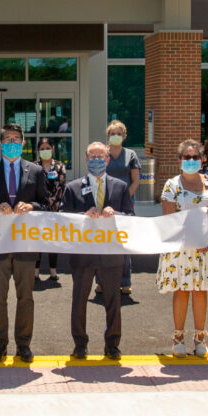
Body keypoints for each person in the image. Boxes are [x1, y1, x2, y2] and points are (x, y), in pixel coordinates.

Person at [0, 122, 49, 364]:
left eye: (17, 140)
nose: (12, 144)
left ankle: (24, 344)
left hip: (26, 245)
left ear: (24, 144)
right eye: (8, 140)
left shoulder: (35, 171)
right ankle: (0, 344)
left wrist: (32, 206)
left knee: (25, 296)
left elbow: (46, 204)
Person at [157, 138, 208, 358]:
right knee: (181, 290)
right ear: (179, 160)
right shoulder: (172, 185)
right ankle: (178, 336)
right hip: (181, 246)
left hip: (207, 247)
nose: (191, 160)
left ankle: (200, 337)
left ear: (202, 159)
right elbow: (169, 216)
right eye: (186, 157)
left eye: (195, 157)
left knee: (200, 290)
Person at [61, 141, 133, 359]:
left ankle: (112, 344)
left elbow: (131, 218)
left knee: (113, 301)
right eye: (92, 157)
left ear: (108, 160)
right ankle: (80, 344)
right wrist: (83, 216)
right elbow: (63, 220)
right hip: (83, 256)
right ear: (86, 159)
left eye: (101, 157)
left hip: (111, 255)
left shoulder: (120, 186)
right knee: (79, 301)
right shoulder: (72, 188)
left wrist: (117, 214)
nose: (96, 161)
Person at [104, 120, 141, 295]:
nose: (116, 136)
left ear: (124, 136)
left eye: (119, 133)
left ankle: (125, 280)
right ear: (108, 136)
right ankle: (101, 281)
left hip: (125, 203)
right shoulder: (103, 154)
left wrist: (125, 198)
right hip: (104, 203)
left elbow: (135, 180)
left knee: (123, 242)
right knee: (102, 242)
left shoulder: (131, 155)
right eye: (113, 133)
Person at [36, 137, 68, 281]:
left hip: (54, 209)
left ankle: (53, 271)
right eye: (42, 149)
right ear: (38, 151)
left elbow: (61, 186)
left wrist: (53, 199)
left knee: (52, 240)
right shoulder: (34, 167)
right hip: (38, 210)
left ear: (53, 149)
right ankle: (35, 271)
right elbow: (32, 187)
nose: (45, 151)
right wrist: (43, 200)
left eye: (47, 148)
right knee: (37, 240)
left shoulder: (60, 166)